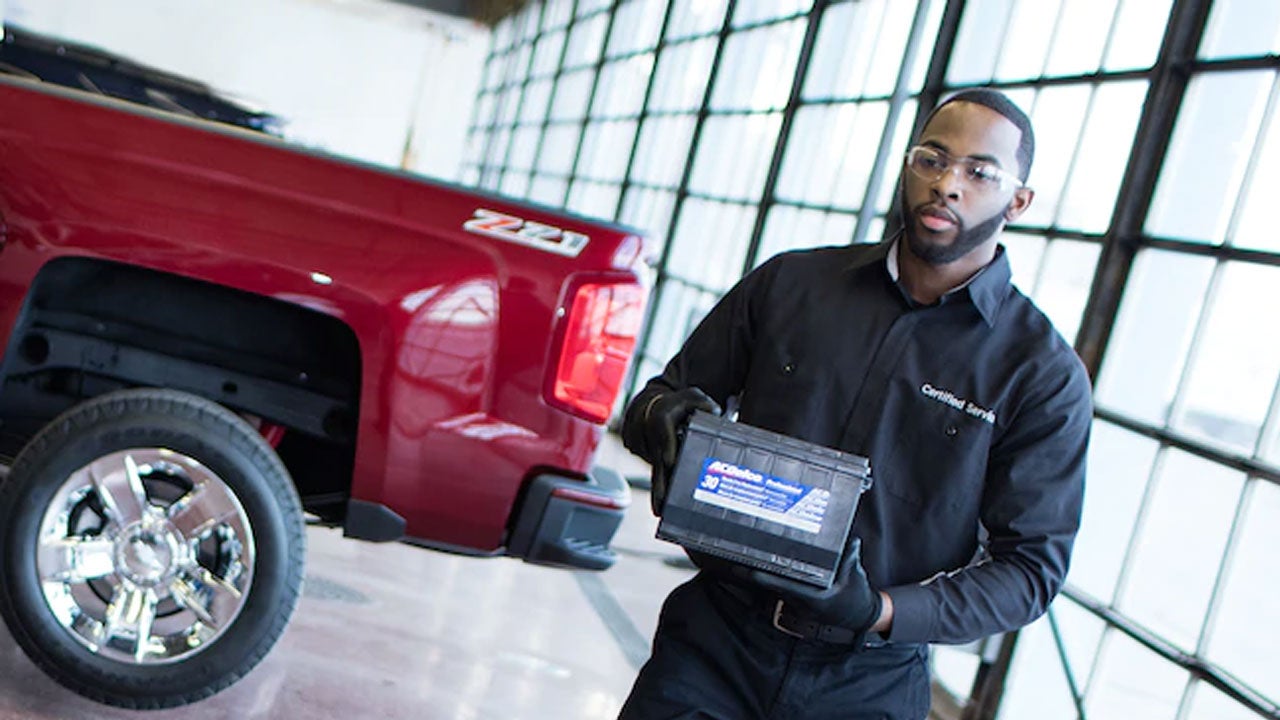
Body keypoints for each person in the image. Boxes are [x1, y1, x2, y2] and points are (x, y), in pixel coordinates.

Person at [617, 88, 1093, 720]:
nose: (948, 183)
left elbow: (1030, 570)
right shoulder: (791, 284)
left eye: (980, 172)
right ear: (907, 164)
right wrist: (658, 419)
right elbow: (659, 398)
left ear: (1019, 201)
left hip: (870, 681)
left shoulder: (1040, 374)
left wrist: (880, 611)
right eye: (932, 158)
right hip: (715, 644)